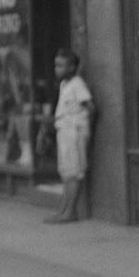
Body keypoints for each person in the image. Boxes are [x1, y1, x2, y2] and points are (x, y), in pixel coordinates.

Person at [41, 49, 94, 223]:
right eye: (56, 65)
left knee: (72, 172)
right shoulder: (65, 85)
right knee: (65, 173)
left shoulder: (78, 84)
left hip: (74, 131)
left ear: (72, 67)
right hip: (64, 130)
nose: (57, 69)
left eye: (61, 65)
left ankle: (70, 212)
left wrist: (84, 129)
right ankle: (63, 209)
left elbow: (91, 107)